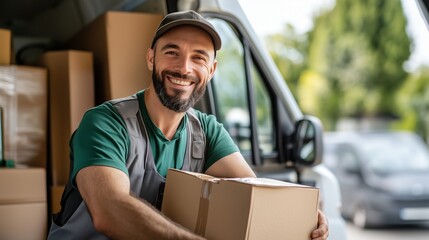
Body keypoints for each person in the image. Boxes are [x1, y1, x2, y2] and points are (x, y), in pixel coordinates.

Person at [47, 10, 329, 240]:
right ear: (151, 58)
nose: (184, 68)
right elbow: (109, 210)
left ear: (212, 70)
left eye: (198, 57)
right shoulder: (106, 123)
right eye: (172, 52)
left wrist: (301, 217)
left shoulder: (207, 132)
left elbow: (252, 192)